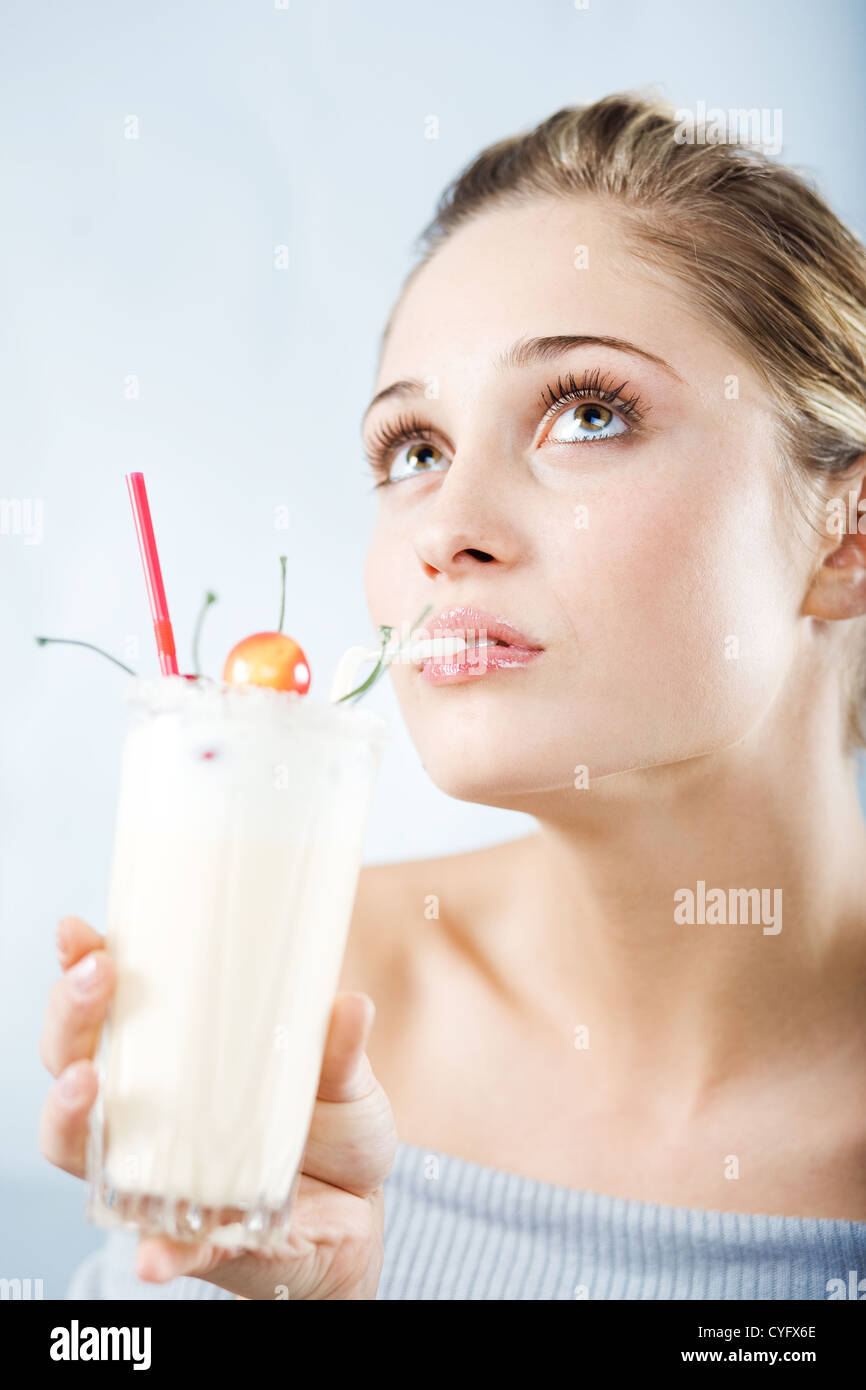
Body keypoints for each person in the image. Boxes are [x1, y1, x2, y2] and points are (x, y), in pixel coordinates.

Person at [46, 91, 866, 1300]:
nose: (446, 531)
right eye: (413, 450)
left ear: (843, 534)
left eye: (587, 414)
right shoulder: (284, 984)